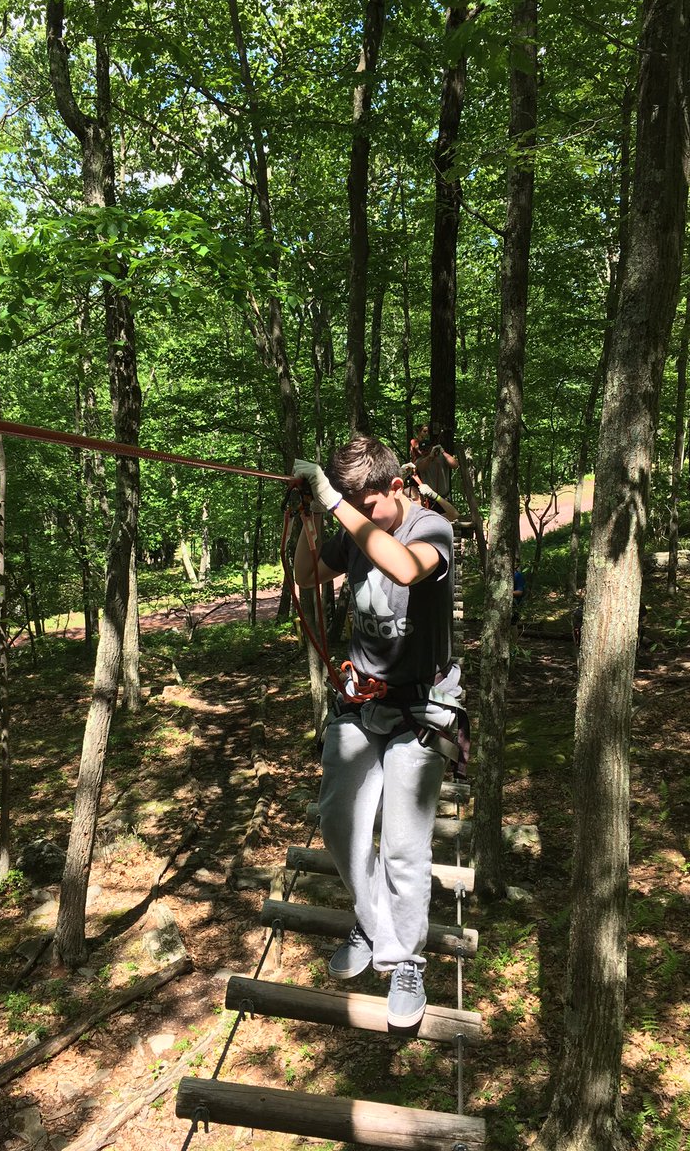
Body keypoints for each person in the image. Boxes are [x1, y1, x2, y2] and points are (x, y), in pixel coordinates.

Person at [292, 437, 463, 1028]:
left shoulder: (431, 528)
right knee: (339, 821)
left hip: (420, 709)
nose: (361, 516)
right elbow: (307, 574)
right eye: (354, 507)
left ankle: (405, 958)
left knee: (404, 846)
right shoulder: (355, 523)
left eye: (367, 505)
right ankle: (372, 923)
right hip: (361, 701)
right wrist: (307, 516)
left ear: (396, 487)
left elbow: (405, 567)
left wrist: (338, 506)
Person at [415, 427, 458, 499]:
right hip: (429, 499)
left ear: (431, 447)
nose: (424, 451)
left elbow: (455, 465)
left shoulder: (442, 457)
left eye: (427, 449)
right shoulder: (419, 461)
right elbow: (421, 468)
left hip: (444, 497)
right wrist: (430, 457)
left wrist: (443, 452)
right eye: (422, 450)